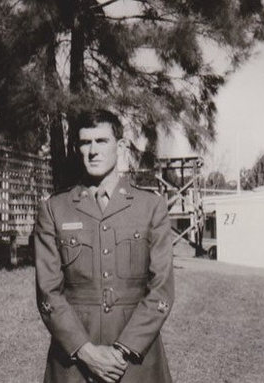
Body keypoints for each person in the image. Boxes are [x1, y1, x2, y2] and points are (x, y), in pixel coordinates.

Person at [35, 109, 175, 383]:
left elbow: (161, 290)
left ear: (120, 146)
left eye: (101, 141)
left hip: (137, 362)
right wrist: (86, 352)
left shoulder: (150, 207)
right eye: (85, 143)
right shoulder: (55, 209)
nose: (93, 151)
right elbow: (48, 292)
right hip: (74, 363)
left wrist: (123, 351)